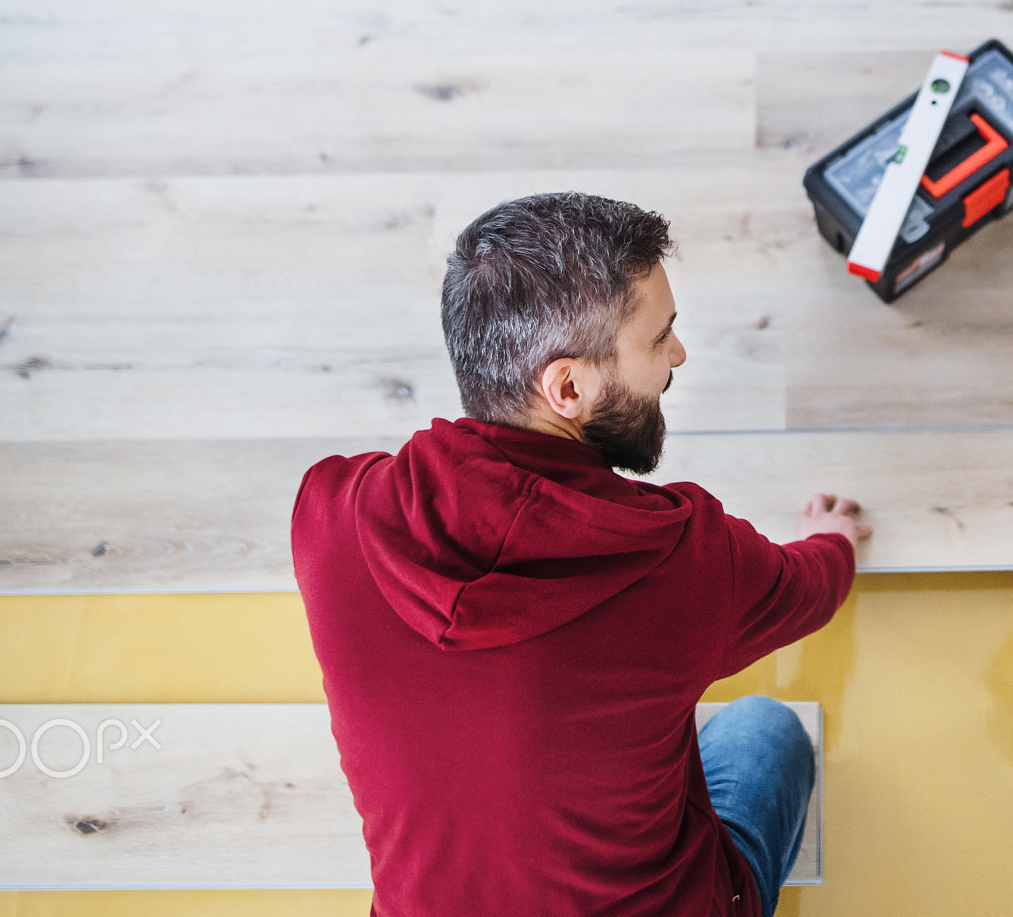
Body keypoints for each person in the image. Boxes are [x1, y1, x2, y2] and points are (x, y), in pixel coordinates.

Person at [293, 192, 869, 917]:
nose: (678, 354)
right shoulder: (683, 558)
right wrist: (837, 542)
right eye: (660, 338)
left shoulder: (329, 513)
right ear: (566, 386)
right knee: (765, 728)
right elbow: (809, 588)